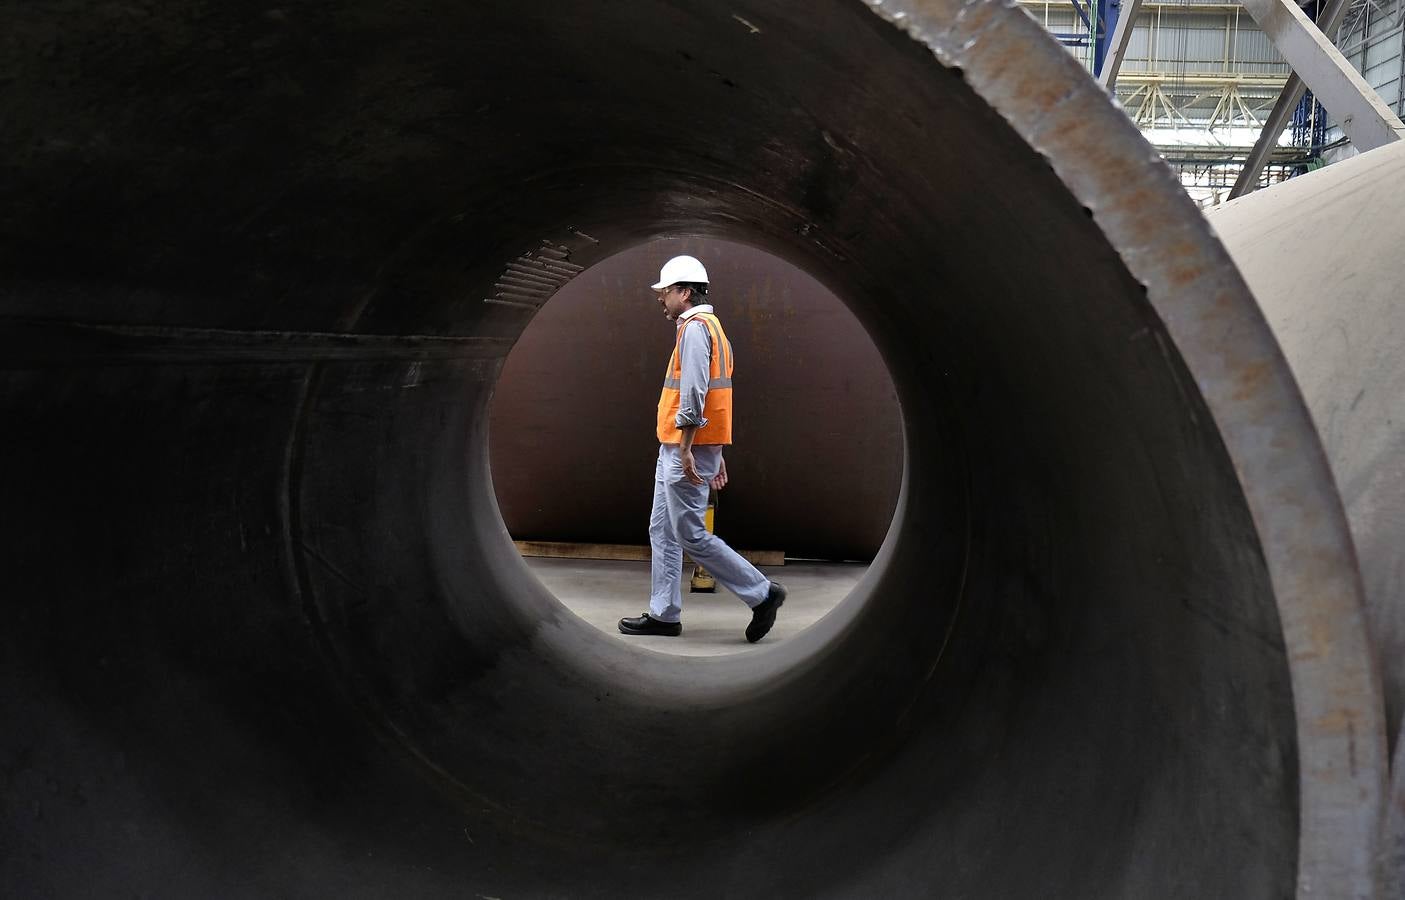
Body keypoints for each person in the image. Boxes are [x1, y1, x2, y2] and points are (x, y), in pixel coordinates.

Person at [618, 255, 787, 642]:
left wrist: (690, 448)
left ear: (685, 292)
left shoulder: (696, 329)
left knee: (690, 533)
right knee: (662, 528)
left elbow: (695, 393)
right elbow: (718, 395)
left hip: (684, 448)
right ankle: (663, 614)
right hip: (683, 446)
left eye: (666, 291)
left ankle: (762, 594)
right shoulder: (711, 328)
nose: (660, 298)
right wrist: (715, 450)